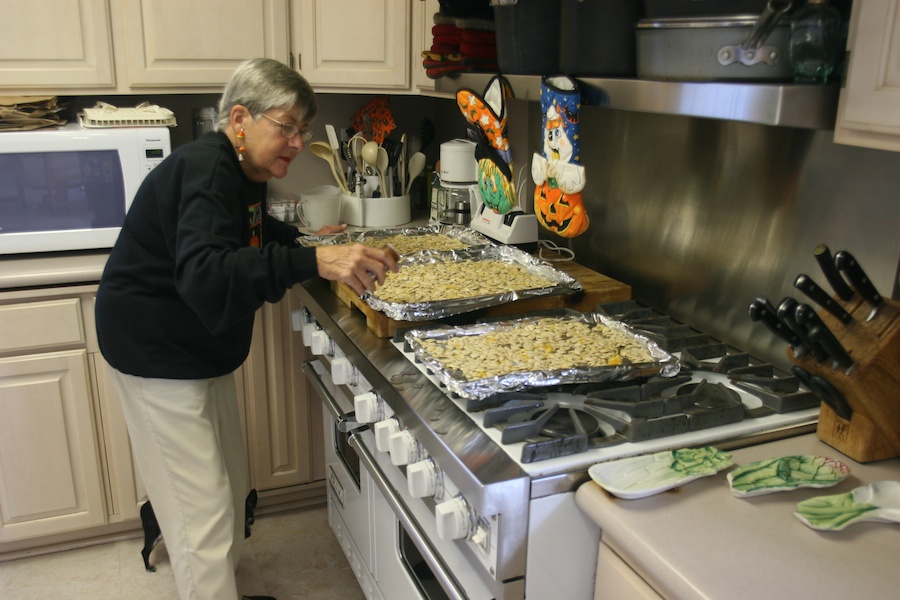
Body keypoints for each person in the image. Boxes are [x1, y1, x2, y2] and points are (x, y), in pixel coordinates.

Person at [95, 58, 398, 600]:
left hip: (195, 345)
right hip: (155, 349)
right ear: (240, 118)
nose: (298, 142)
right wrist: (317, 263)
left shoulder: (241, 171)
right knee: (200, 511)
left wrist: (307, 244)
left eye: (303, 130)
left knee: (229, 486)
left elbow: (251, 233)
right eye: (287, 126)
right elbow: (207, 272)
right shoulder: (208, 169)